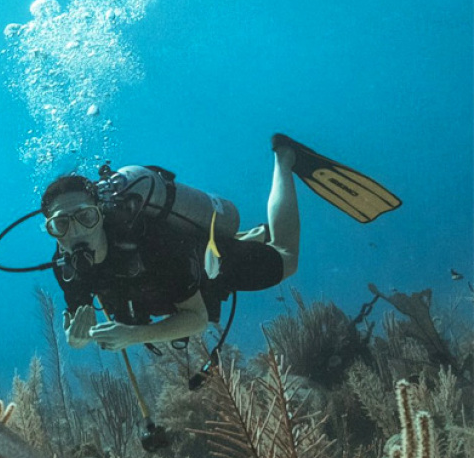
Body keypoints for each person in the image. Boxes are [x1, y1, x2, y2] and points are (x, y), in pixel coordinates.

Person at [42, 134, 401, 352]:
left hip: (210, 264)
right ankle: (245, 236)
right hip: (177, 281)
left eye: (85, 217)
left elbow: (197, 319)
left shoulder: (154, 246)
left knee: (287, 259)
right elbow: (78, 327)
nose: (76, 233)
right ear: (51, 231)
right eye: (61, 224)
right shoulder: (68, 268)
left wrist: (133, 336)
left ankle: (285, 158)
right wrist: (76, 340)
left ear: (101, 215)